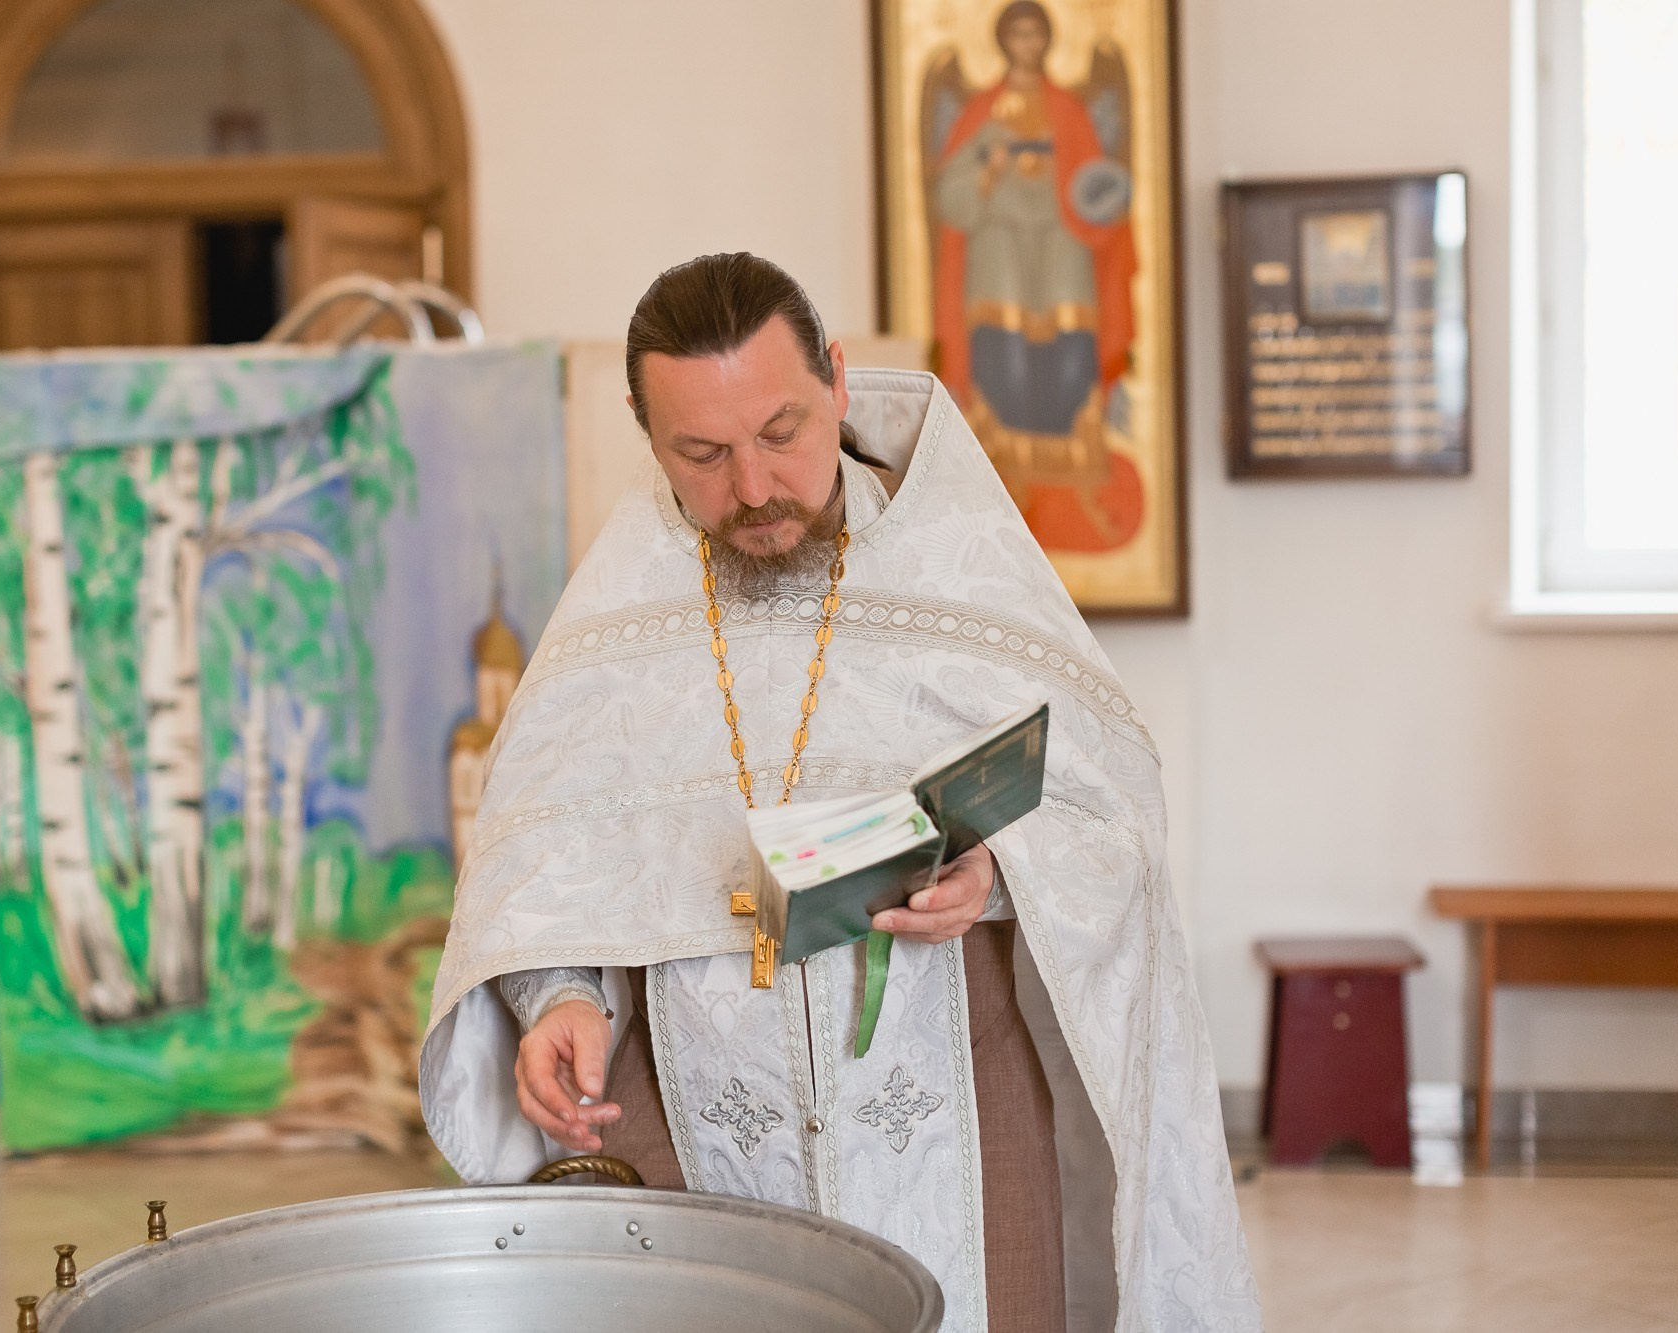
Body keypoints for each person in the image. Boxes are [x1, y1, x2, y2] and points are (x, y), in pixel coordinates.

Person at [418, 253, 1258, 1333]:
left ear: (838, 383)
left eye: (781, 432)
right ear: (646, 433)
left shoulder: (955, 569)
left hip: (953, 1099)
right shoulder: (614, 620)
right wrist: (559, 1000)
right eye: (702, 454)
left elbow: (1106, 807)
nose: (754, 488)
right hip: (690, 1120)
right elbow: (547, 861)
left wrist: (996, 869)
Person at [933, 0, 1142, 551]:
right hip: (999, 238)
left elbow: (1095, 189)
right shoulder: (982, 112)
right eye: (1017, 35)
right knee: (1003, 345)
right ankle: (1008, 465)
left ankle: (1071, 453)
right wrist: (988, 167)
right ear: (1003, 42)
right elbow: (951, 202)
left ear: (1046, 41)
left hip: (1059, 240)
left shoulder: (1067, 110)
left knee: (1072, 338)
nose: (1027, 45)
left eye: (1035, 35)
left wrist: (1102, 206)